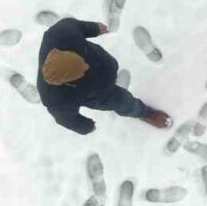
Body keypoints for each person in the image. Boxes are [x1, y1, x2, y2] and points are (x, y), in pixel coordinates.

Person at [36, 17, 171, 135]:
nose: (86, 67)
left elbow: (75, 25)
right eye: (81, 71)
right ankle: (145, 113)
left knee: (111, 65)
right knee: (124, 102)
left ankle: (112, 74)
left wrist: (95, 28)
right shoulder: (55, 99)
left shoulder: (59, 34)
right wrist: (85, 126)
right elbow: (65, 119)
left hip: (103, 62)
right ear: (64, 82)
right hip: (100, 95)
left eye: (81, 62)